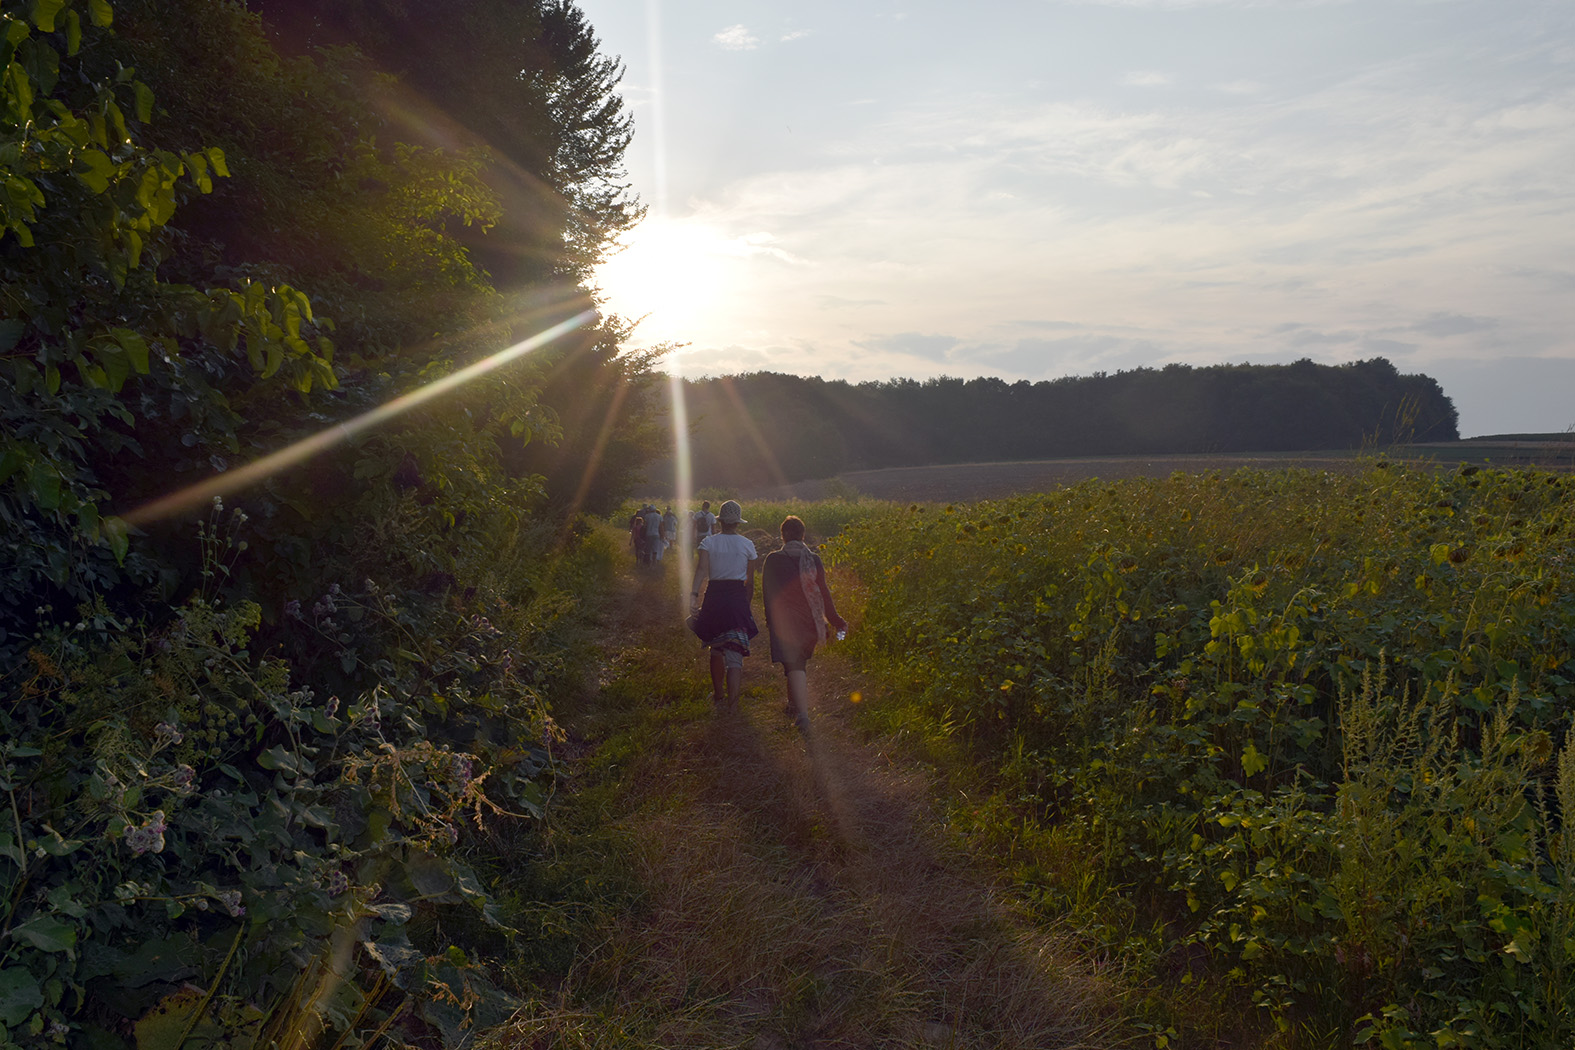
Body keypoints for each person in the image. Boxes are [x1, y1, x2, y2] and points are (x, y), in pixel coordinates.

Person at [762, 515, 847, 732]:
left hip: (784, 620)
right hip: (810, 620)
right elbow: (824, 594)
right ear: (802, 535)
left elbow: (768, 593)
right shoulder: (814, 560)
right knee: (795, 664)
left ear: (783, 536)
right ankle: (793, 706)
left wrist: (770, 620)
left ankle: (803, 715)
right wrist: (836, 621)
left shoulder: (772, 559)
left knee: (795, 665)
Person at [687, 499, 758, 710]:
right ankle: (733, 704)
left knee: (716, 649)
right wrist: (746, 604)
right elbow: (749, 581)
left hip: (715, 597)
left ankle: (718, 696)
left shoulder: (709, 542)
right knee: (735, 654)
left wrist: (693, 595)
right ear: (737, 523)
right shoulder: (747, 545)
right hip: (737, 598)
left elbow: (701, 571)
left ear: (720, 521)